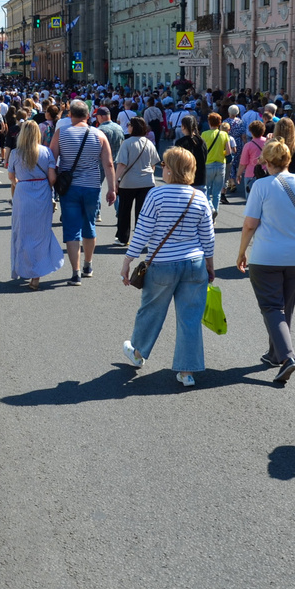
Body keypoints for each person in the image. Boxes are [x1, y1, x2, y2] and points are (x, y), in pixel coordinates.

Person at [120, 147, 215, 387]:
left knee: (151, 311)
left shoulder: (156, 195)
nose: (161, 168)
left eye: (163, 165)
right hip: (194, 263)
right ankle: (187, 371)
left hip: (162, 263)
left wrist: (128, 259)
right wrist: (210, 264)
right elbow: (208, 237)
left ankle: (138, 352)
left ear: (171, 170)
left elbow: (143, 231)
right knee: (190, 319)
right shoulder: (200, 197)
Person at [236, 140, 295, 384]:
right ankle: (275, 354)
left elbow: (250, 224)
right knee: (285, 307)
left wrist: (242, 251)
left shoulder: (261, 186)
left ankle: (287, 357)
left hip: (266, 255)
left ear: (266, 162)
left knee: (271, 307)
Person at [49, 101, 117, 285]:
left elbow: (51, 159)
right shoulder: (99, 134)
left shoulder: (61, 133)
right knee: (89, 225)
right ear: (88, 116)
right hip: (92, 186)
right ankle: (88, 264)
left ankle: (75, 272)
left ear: (70, 115)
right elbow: (108, 164)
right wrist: (112, 188)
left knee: (72, 229)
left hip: (69, 187)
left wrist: (51, 183)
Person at [7, 121, 63, 289]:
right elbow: (52, 178)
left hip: (23, 193)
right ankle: (36, 275)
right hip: (42, 193)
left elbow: (11, 176)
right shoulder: (46, 152)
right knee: (40, 234)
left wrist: (20, 184)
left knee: (22, 233)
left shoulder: (16, 153)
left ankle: (24, 268)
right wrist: (45, 188)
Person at [113, 118, 160, 246]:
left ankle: (123, 238)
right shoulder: (149, 143)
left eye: (129, 125)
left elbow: (121, 164)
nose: (128, 126)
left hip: (128, 182)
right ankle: (141, 239)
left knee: (124, 211)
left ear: (133, 127)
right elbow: (154, 164)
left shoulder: (127, 143)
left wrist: (115, 180)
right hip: (147, 182)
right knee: (143, 213)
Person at [199, 113, 229, 216]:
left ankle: (211, 208)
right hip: (221, 164)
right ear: (220, 123)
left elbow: (201, 150)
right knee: (217, 193)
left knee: (206, 190)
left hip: (208, 164)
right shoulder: (224, 134)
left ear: (209, 122)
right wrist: (221, 152)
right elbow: (228, 151)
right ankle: (214, 213)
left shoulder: (204, 134)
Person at [236, 120, 268, 198]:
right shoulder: (268, 143)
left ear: (251, 132)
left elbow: (243, 163)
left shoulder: (248, 145)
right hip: (266, 173)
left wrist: (238, 174)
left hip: (251, 174)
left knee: (251, 199)